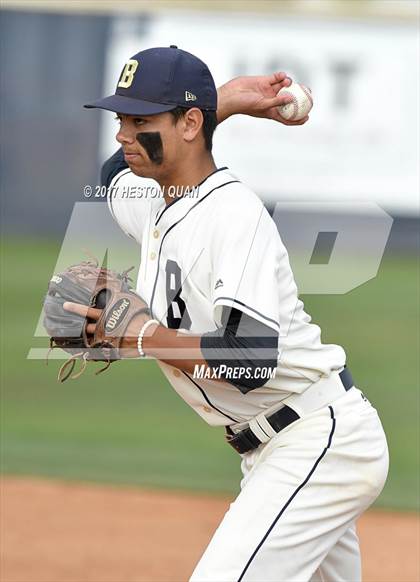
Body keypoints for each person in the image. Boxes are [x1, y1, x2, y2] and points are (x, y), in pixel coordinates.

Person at [66, 46, 389, 581]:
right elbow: (108, 177)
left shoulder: (233, 213)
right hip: (276, 447)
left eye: (140, 120)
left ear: (189, 123)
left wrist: (142, 336)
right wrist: (226, 103)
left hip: (316, 440)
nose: (123, 135)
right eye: (121, 118)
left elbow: (251, 357)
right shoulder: (155, 203)